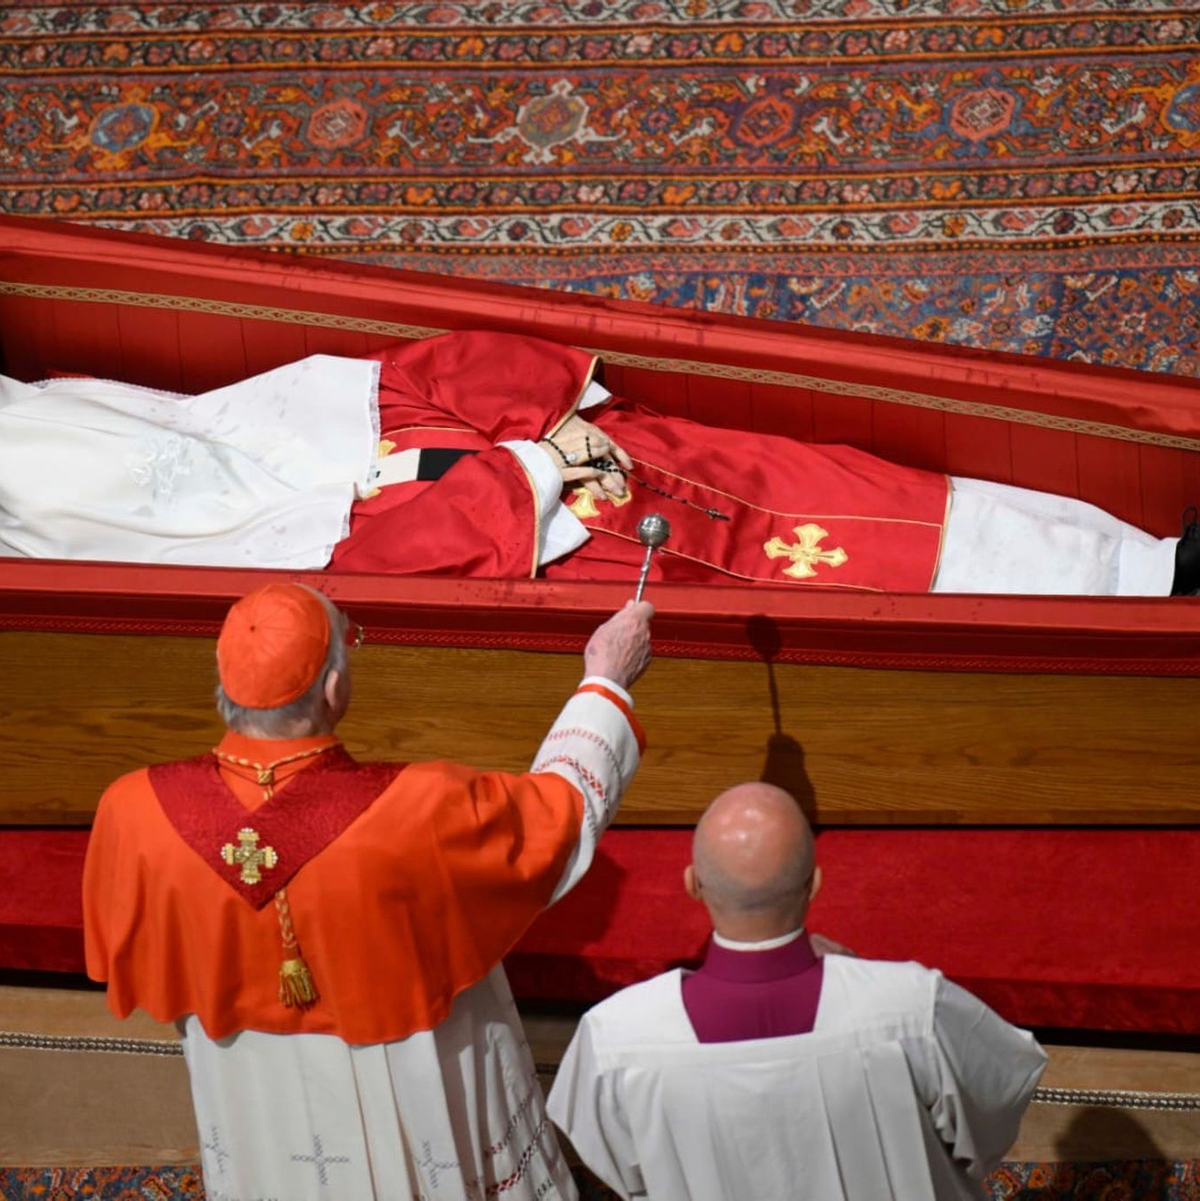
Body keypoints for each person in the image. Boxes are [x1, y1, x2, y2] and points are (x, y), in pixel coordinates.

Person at [83, 580, 654, 1201]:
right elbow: (560, 816)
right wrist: (605, 681)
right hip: (410, 1075)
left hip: (251, 1085)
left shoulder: (132, 809)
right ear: (333, 689)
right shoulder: (419, 808)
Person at [2, 330, 1192, 594]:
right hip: (584, 561)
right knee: (854, 562)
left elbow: (410, 375)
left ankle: (1142, 560)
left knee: (847, 486)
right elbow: (390, 556)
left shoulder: (236, 422)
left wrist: (543, 433)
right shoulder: (206, 562)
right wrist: (522, 476)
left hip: (610, 468)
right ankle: (1135, 599)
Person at [547, 782, 1047, 1201]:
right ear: (815, 884)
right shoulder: (911, 1007)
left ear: (692, 884)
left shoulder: (615, 1039)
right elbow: (994, 1111)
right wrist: (860, 980)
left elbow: (628, 1175)